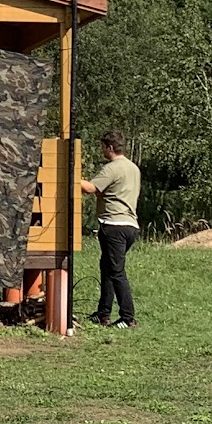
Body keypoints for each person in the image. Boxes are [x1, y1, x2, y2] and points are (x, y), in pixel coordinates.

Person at [78, 130, 141, 327]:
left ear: (110, 148)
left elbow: (90, 188)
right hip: (130, 225)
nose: (102, 151)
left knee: (116, 272)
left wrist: (68, 174)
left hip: (114, 225)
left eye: (103, 147)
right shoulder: (133, 168)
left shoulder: (112, 168)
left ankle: (127, 318)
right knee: (107, 268)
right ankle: (103, 313)